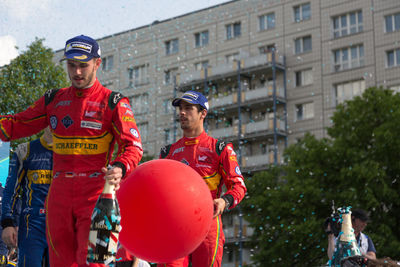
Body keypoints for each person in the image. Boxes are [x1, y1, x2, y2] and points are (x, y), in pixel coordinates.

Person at [0, 35, 143, 266]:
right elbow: (16, 125)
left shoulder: (114, 102)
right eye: (71, 65)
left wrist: (119, 167)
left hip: (98, 196)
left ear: (97, 63)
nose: (77, 73)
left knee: (94, 263)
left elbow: (133, 146)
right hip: (58, 196)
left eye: (83, 66)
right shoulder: (53, 99)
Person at [157, 91, 247, 267]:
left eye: (188, 108)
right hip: (175, 225)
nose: (182, 113)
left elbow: (239, 186)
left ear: (203, 113)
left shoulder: (220, 148)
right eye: (180, 108)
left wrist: (224, 201)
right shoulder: (167, 152)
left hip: (207, 223)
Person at [1, 127, 53, 267]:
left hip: (63, 226)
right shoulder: (25, 151)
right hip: (32, 227)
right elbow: (10, 191)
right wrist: (7, 223)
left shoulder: (76, 155)